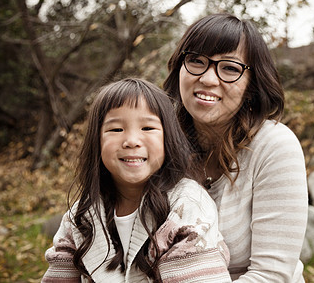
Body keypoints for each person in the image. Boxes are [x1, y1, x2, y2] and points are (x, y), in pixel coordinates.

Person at [163, 14, 308, 282]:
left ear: (252, 85)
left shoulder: (275, 146)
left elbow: (271, 276)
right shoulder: (158, 141)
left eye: (229, 68)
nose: (207, 79)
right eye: (196, 60)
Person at [42, 78, 231, 282]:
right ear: (97, 142)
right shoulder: (81, 216)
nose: (131, 141)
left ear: (168, 139)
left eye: (147, 128)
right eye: (115, 129)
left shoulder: (188, 204)